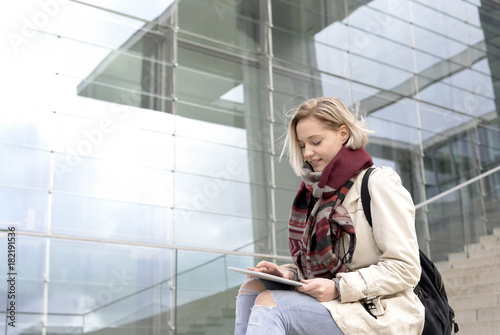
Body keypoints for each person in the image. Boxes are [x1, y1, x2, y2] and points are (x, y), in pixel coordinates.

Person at [233, 97, 425, 335]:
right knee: (252, 288)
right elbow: (320, 269)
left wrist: (339, 287)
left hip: (378, 312)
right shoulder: (316, 194)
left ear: (343, 133)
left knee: (272, 305)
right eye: (302, 145)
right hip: (338, 305)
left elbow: (405, 268)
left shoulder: (379, 182)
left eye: (315, 142)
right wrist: (288, 275)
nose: (308, 153)